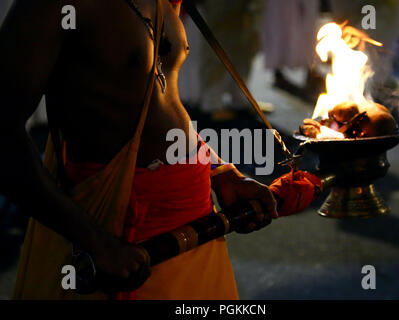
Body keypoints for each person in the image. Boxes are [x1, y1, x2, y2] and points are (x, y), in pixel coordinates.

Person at [0, 0, 279, 299]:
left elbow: (164, 102)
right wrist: (97, 242)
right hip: (121, 234)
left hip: (194, 223)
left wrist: (221, 172)